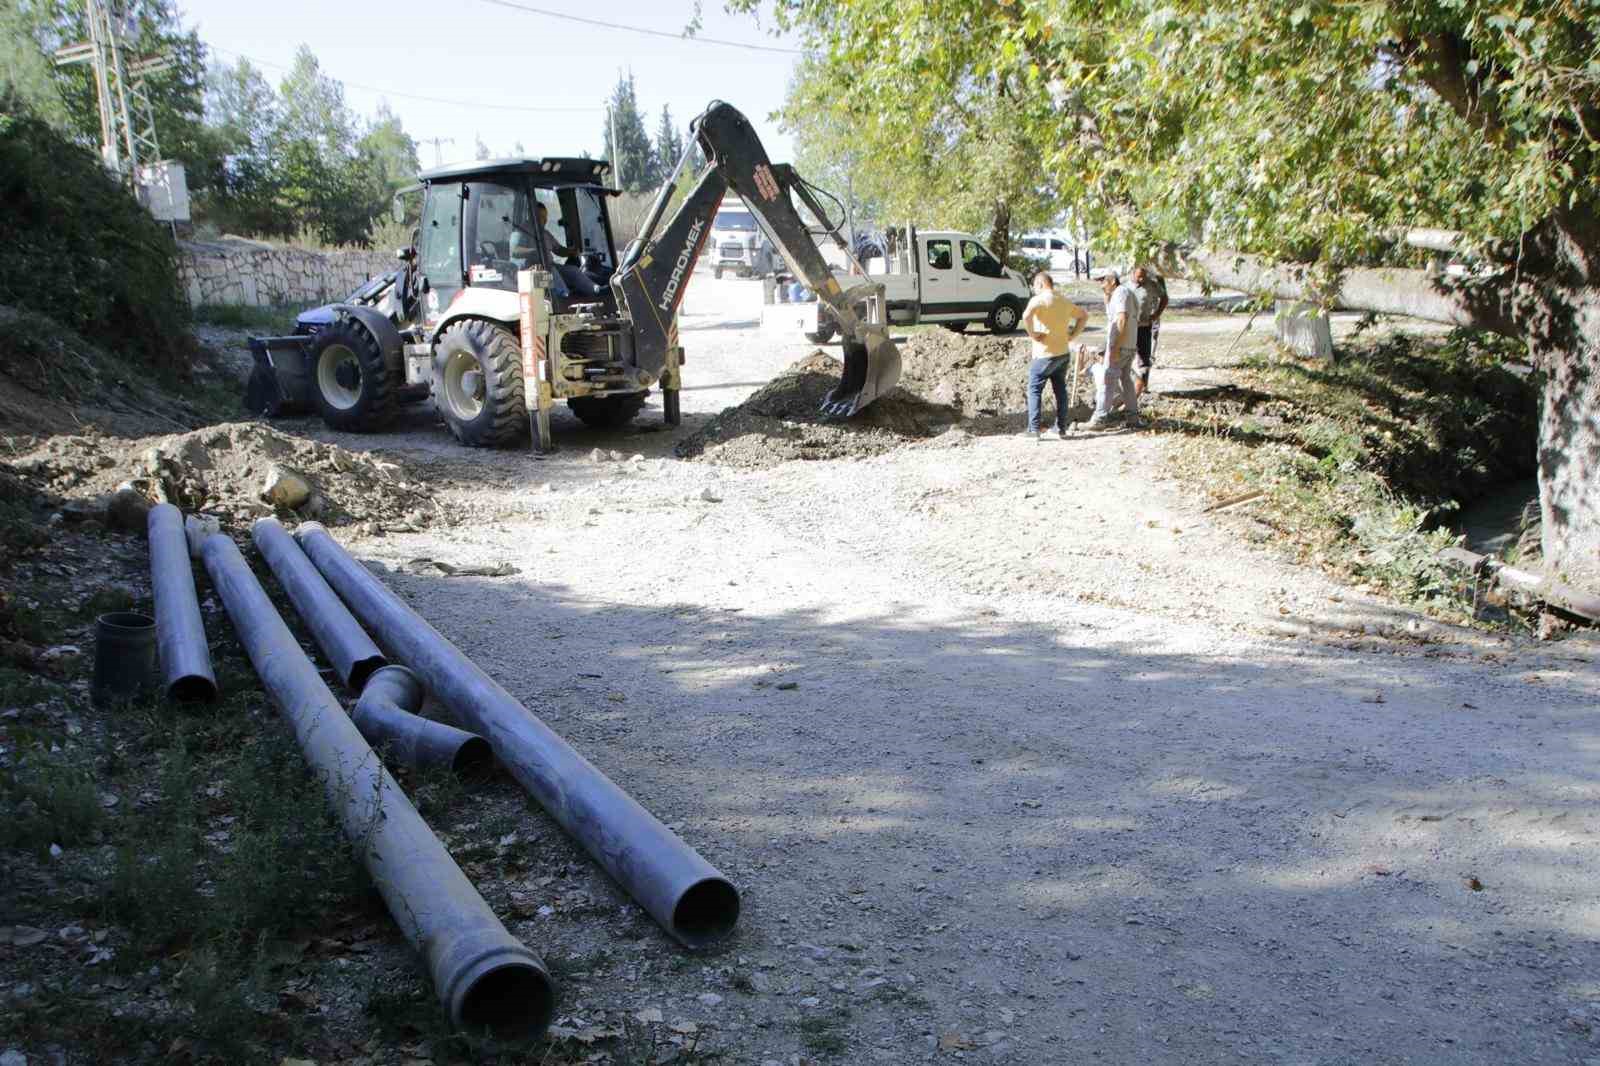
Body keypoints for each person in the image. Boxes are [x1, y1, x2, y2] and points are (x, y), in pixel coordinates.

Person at [1019, 271, 1089, 439]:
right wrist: (1073, 335)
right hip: (1063, 353)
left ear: (1040, 284)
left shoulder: (1039, 300)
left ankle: (1033, 429)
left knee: (1034, 389)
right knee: (1060, 390)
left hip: (1044, 354)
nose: (1034, 290)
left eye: (1035, 286)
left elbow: (1025, 315)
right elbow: (1084, 316)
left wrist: (1033, 334)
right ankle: (1061, 428)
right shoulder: (1063, 301)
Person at [1086, 271, 1142, 429]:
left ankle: (1100, 418)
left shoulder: (1120, 293)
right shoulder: (1122, 293)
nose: (1101, 285)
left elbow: (1121, 319)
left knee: (1107, 381)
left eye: (1103, 281)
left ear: (1112, 281)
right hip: (1128, 345)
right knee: (1126, 380)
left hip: (1121, 346)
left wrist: (1115, 347)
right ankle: (1133, 418)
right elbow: (1115, 320)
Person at [1132, 265, 1169, 400]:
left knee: (1144, 358)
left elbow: (1164, 298)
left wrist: (1156, 314)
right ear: (1132, 274)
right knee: (1124, 357)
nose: (1141, 279)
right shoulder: (1125, 286)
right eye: (1138, 276)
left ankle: (1143, 385)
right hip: (1128, 328)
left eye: (1144, 276)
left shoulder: (1152, 285)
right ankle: (1130, 386)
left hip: (1144, 326)